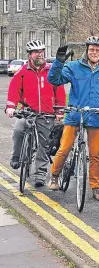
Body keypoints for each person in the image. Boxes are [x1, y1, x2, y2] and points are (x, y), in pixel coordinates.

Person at [47, 36, 99, 201]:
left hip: (96, 115)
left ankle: (95, 187)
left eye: (97, 50)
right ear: (87, 50)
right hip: (75, 114)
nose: (94, 52)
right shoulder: (74, 66)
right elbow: (54, 80)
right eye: (92, 49)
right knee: (64, 148)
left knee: (95, 154)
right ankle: (55, 176)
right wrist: (58, 62)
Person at [5, 40, 66, 187]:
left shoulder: (51, 71)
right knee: (19, 130)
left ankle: (40, 174)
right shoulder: (22, 73)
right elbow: (13, 91)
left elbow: (60, 92)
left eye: (42, 51)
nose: (40, 54)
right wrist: (11, 107)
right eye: (36, 52)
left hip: (47, 114)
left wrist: (59, 111)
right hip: (28, 112)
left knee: (44, 144)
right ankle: (17, 155)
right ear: (30, 55)